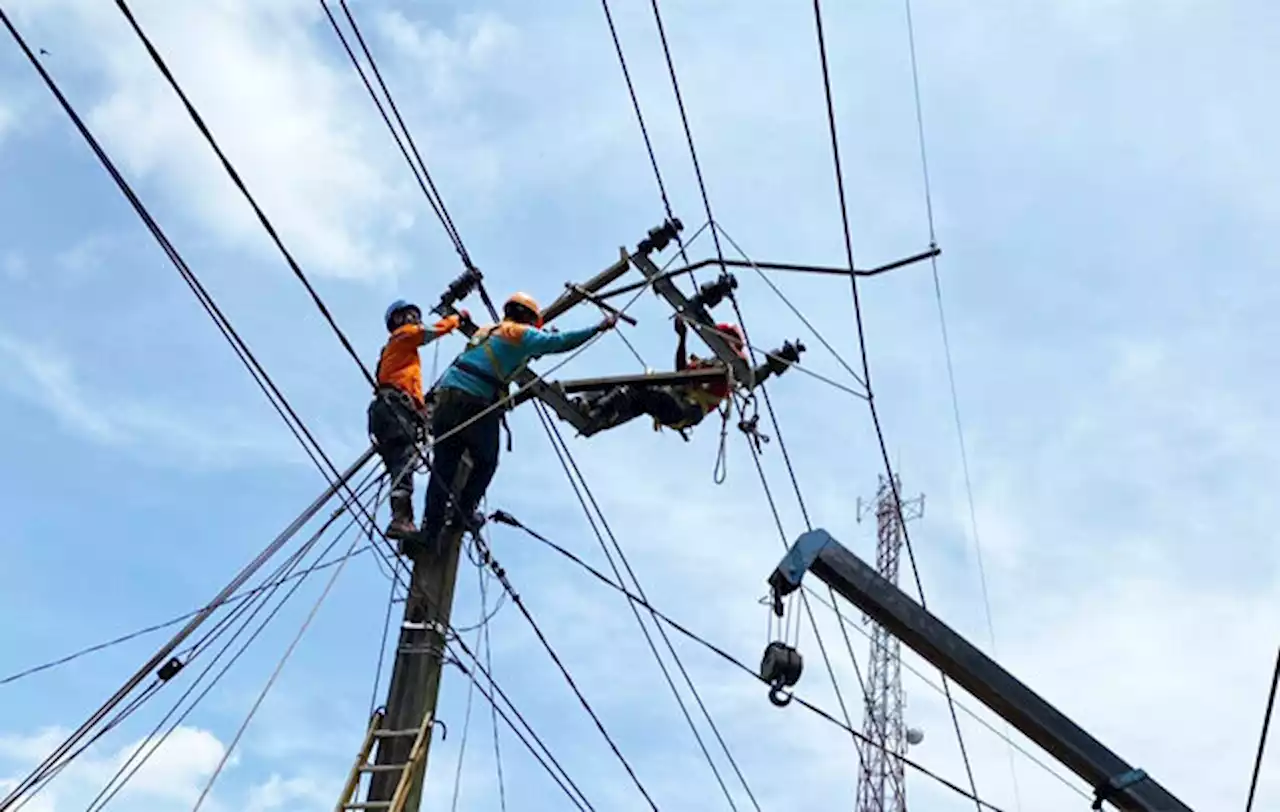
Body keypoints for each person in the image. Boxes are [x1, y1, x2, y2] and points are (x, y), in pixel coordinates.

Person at [414, 291, 618, 553]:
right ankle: (462, 514)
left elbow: (511, 358)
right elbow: (561, 342)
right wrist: (599, 327)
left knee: (443, 469)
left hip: (446, 400)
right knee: (486, 462)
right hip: (473, 401)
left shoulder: (490, 330)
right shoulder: (523, 334)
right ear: (531, 319)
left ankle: (429, 533)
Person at [579, 318, 803, 435]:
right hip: (672, 402)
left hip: (684, 410)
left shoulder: (733, 368)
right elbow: (681, 372)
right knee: (629, 392)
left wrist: (779, 361)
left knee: (637, 390)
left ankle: (596, 412)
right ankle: (587, 405)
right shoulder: (708, 364)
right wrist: (682, 338)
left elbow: (752, 378)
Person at [368, 299, 465, 542]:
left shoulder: (396, 354)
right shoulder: (403, 336)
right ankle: (401, 520)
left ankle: (404, 519)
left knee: (402, 464)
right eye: (409, 315)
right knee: (404, 460)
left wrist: (423, 411)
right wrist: (457, 320)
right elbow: (429, 332)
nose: (414, 320)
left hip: (388, 411)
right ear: (398, 320)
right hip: (394, 409)